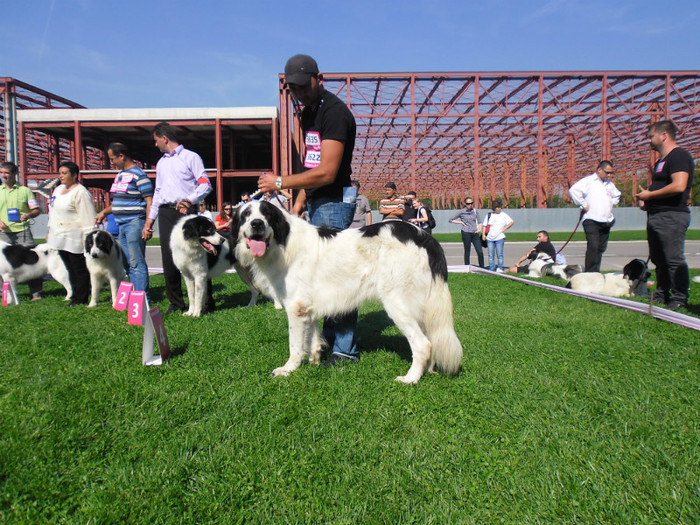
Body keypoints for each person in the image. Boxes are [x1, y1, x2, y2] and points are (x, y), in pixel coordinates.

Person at [257, 54, 358, 366]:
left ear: (319, 78)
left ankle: (345, 350)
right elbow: (310, 163)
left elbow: (327, 171)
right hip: (315, 201)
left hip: (334, 201)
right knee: (319, 277)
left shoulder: (335, 113)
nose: (299, 93)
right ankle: (324, 341)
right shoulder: (307, 115)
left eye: (303, 86)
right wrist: (299, 201)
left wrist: (279, 181)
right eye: (293, 89)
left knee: (337, 276)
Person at [143, 121, 213, 315]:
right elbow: (158, 192)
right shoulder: (161, 163)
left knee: (197, 256)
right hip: (165, 213)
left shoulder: (191, 157)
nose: (155, 144)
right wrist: (150, 219)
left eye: (156, 140)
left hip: (185, 212)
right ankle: (176, 303)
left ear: (164, 138)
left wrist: (189, 200)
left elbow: (205, 184)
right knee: (169, 257)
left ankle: (206, 302)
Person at [636, 120, 694, 310]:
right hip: (657, 214)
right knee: (658, 258)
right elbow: (663, 186)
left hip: (671, 215)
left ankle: (679, 297)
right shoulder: (661, 161)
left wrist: (650, 195)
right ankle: (661, 294)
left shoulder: (679, 156)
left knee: (673, 258)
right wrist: (647, 200)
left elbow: (679, 185)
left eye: (651, 136)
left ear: (664, 136)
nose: (649, 140)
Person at [95, 142, 154, 297]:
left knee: (137, 263)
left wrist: (148, 225)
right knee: (128, 264)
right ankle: (135, 295)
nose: (112, 163)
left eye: (113, 159)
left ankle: (143, 299)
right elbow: (118, 202)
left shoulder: (139, 175)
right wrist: (104, 212)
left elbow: (150, 200)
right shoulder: (120, 175)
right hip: (121, 225)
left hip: (135, 223)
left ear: (122, 156)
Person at [47, 161, 96, 306]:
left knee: (79, 268)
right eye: (60, 173)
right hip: (59, 234)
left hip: (74, 236)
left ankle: (81, 298)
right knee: (69, 267)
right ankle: (74, 294)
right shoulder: (58, 190)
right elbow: (53, 212)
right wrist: (50, 231)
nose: (61, 176)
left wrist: (88, 239)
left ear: (74, 175)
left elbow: (88, 216)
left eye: (64, 173)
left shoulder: (81, 192)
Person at [0, 161, 44, 300]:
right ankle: (4, 294)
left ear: (14, 174)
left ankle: (36, 293)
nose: (3, 175)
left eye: (6, 173)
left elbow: (37, 210)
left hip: (22, 231)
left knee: (33, 260)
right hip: (4, 233)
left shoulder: (25, 191)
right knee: (1, 265)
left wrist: (29, 214)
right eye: (1, 173)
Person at [569, 160, 621, 272]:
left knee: (601, 247)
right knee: (593, 245)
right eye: (607, 172)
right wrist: (583, 204)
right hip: (591, 219)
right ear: (599, 170)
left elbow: (617, 195)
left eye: (611, 173)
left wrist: (612, 203)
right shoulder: (589, 181)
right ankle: (590, 272)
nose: (609, 175)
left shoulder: (609, 184)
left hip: (606, 220)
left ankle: (596, 271)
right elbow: (574, 190)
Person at [450, 196, 484, 267]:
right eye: (468, 203)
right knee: (467, 251)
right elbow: (451, 219)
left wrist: (480, 229)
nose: (470, 205)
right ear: (465, 204)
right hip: (466, 233)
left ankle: (482, 267)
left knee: (480, 251)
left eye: (471, 203)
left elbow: (480, 221)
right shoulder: (462, 212)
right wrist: (461, 222)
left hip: (475, 233)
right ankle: (466, 267)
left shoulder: (474, 211)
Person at [482, 199, 514, 273]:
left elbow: (511, 222)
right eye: (497, 207)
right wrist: (483, 234)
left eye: (500, 207)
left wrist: (504, 228)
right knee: (490, 254)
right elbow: (484, 225)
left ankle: (500, 267)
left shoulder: (503, 215)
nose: (499, 209)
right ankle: (491, 268)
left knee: (499, 254)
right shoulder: (489, 215)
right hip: (490, 238)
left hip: (499, 237)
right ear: (494, 208)